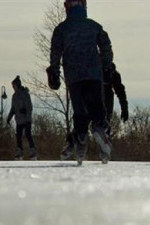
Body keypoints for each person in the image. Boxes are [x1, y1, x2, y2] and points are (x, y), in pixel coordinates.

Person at [47, 0, 115, 165]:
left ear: (68, 7)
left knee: (79, 111)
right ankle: (99, 130)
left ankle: (81, 141)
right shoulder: (94, 26)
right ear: (84, 7)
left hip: (74, 75)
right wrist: (107, 65)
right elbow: (106, 46)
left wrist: (54, 72)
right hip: (93, 73)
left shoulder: (61, 29)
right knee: (97, 108)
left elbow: (55, 51)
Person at [61, 63, 128, 160]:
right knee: (86, 123)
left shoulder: (112, 74)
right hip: (93, 99)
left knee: (98, 125)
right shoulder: (94, 69)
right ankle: (73, 144)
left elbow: (120, 91)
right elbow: (120, 91)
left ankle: (103, 150)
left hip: (101, 101)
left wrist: (124, 108)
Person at [7, 76, 37, 160]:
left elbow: (29, 106)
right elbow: (13, 108)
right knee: (18, 136)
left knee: (28, 134)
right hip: (19, 120)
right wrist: (9, 117)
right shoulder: (14, 96)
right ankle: (19, 151)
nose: (13, 87)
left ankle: (32, 151)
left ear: (17, 85)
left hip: (26, 119)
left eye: (14, 86)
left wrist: (28, 118)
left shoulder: (25, 94)